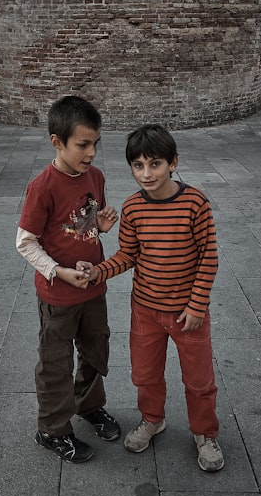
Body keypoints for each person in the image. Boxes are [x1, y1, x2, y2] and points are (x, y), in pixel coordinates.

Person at [78, 124, 224, 472]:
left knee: (199, 380)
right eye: (138, 165)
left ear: (173, 163)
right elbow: (127, 255)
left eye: (155, 164)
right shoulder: (132, 208)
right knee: (144, 375)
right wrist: (97, 270)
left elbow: (209, 257)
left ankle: (205, 433)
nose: (146, 173)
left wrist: (196, 305)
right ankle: (152, 419)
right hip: (145, 309)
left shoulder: (195, 202)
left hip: (189, 313)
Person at [16, 95, 121, 463]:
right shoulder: (42, 187)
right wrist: (57, 272)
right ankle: (52, 429)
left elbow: (82, 227)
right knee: (55, 363)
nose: (91, 153)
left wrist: (101, 226)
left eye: (95, 144)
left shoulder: (96, 177)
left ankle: (89, 405)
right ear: (57, 142)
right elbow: (25, 244)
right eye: (82, 145)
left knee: (95, 351)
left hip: (93, 287)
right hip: (58, 296)